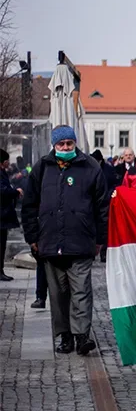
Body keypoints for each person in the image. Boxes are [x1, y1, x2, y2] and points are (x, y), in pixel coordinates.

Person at [22, 126, 109, 356]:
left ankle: (82, 337)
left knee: (81, 291)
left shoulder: (90, 166)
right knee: (58, 294)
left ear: (75, 143)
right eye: (61, 144)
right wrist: (32, 237)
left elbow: (102, 207)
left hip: (81, 241)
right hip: (49, 241)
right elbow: (29, 205)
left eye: (69, 143)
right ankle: (65, 337)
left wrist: (101, 239)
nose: (66, 148)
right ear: (54, 145)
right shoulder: (43, 167)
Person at [0, 149, 20, 281]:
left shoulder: (3, 173)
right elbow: (2, 190)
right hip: (1, 215)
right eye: (7, 161)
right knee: (1, 244)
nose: (9, 163)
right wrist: (15, 191)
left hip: (3, 215)